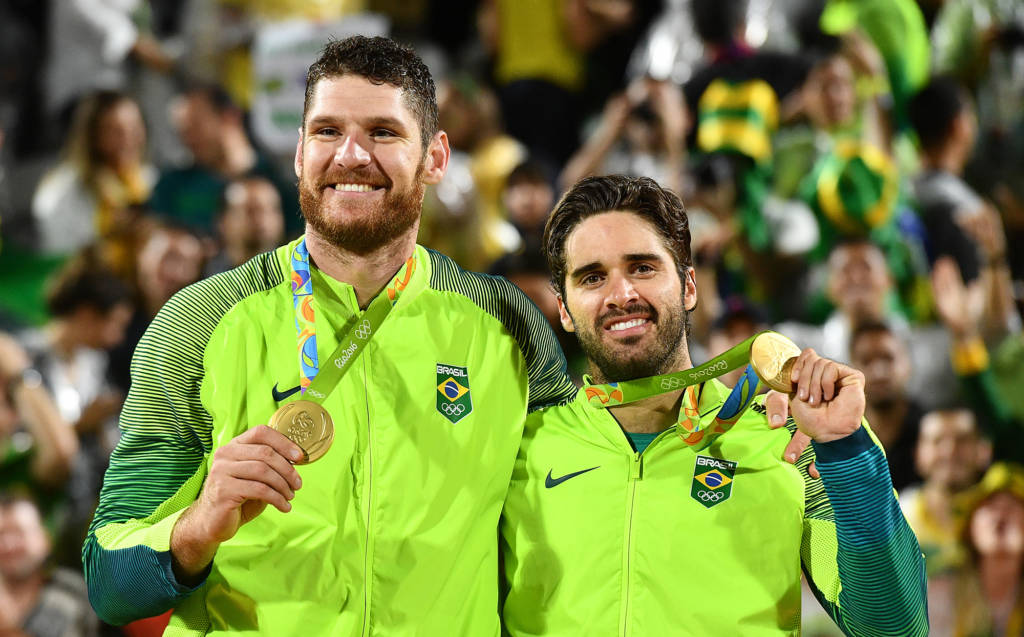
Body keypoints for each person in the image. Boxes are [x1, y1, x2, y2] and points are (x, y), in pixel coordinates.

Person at [84, 35, 577, 635]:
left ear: (436, 158)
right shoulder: (198, 322)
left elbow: (564, 532)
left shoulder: (506, 322)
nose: (350, 154)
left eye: (383, 132)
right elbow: (108, 582)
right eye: (326, 131)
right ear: (298, 152)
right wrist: (196, 527)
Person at [500, 174, 928, 635]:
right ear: (564, 310)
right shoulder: (518, 444)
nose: (620, 295)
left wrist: (845, 450)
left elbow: (894, 627)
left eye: (642, 268)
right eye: (592, 277)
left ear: (688, 287)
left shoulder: (784, 442)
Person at [0, 493, 99, 637]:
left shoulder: (72, 591)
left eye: (18, 533)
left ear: (44, 538)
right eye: (1, 534)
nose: (8, 545)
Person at [848, 320, 924, 492]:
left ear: (907, 365)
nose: (879, 372)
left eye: (888, 358)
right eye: (866, 361)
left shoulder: (928, 430)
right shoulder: (837, 433)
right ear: (851, 369)